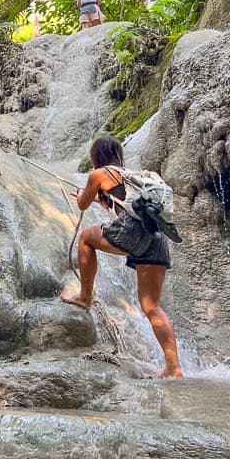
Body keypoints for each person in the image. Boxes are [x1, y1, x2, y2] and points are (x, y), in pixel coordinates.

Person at [60, 135, 183, 378]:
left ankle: (85, 296)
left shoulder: (98, 174)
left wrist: (83, 194)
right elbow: (118, 203)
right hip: (157, 237)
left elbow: (83, 204)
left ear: (96, 156)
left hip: (132, 232)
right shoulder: (130, 177)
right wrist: (96, 197)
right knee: (152, 306)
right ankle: (173, 367)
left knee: (85, 238)